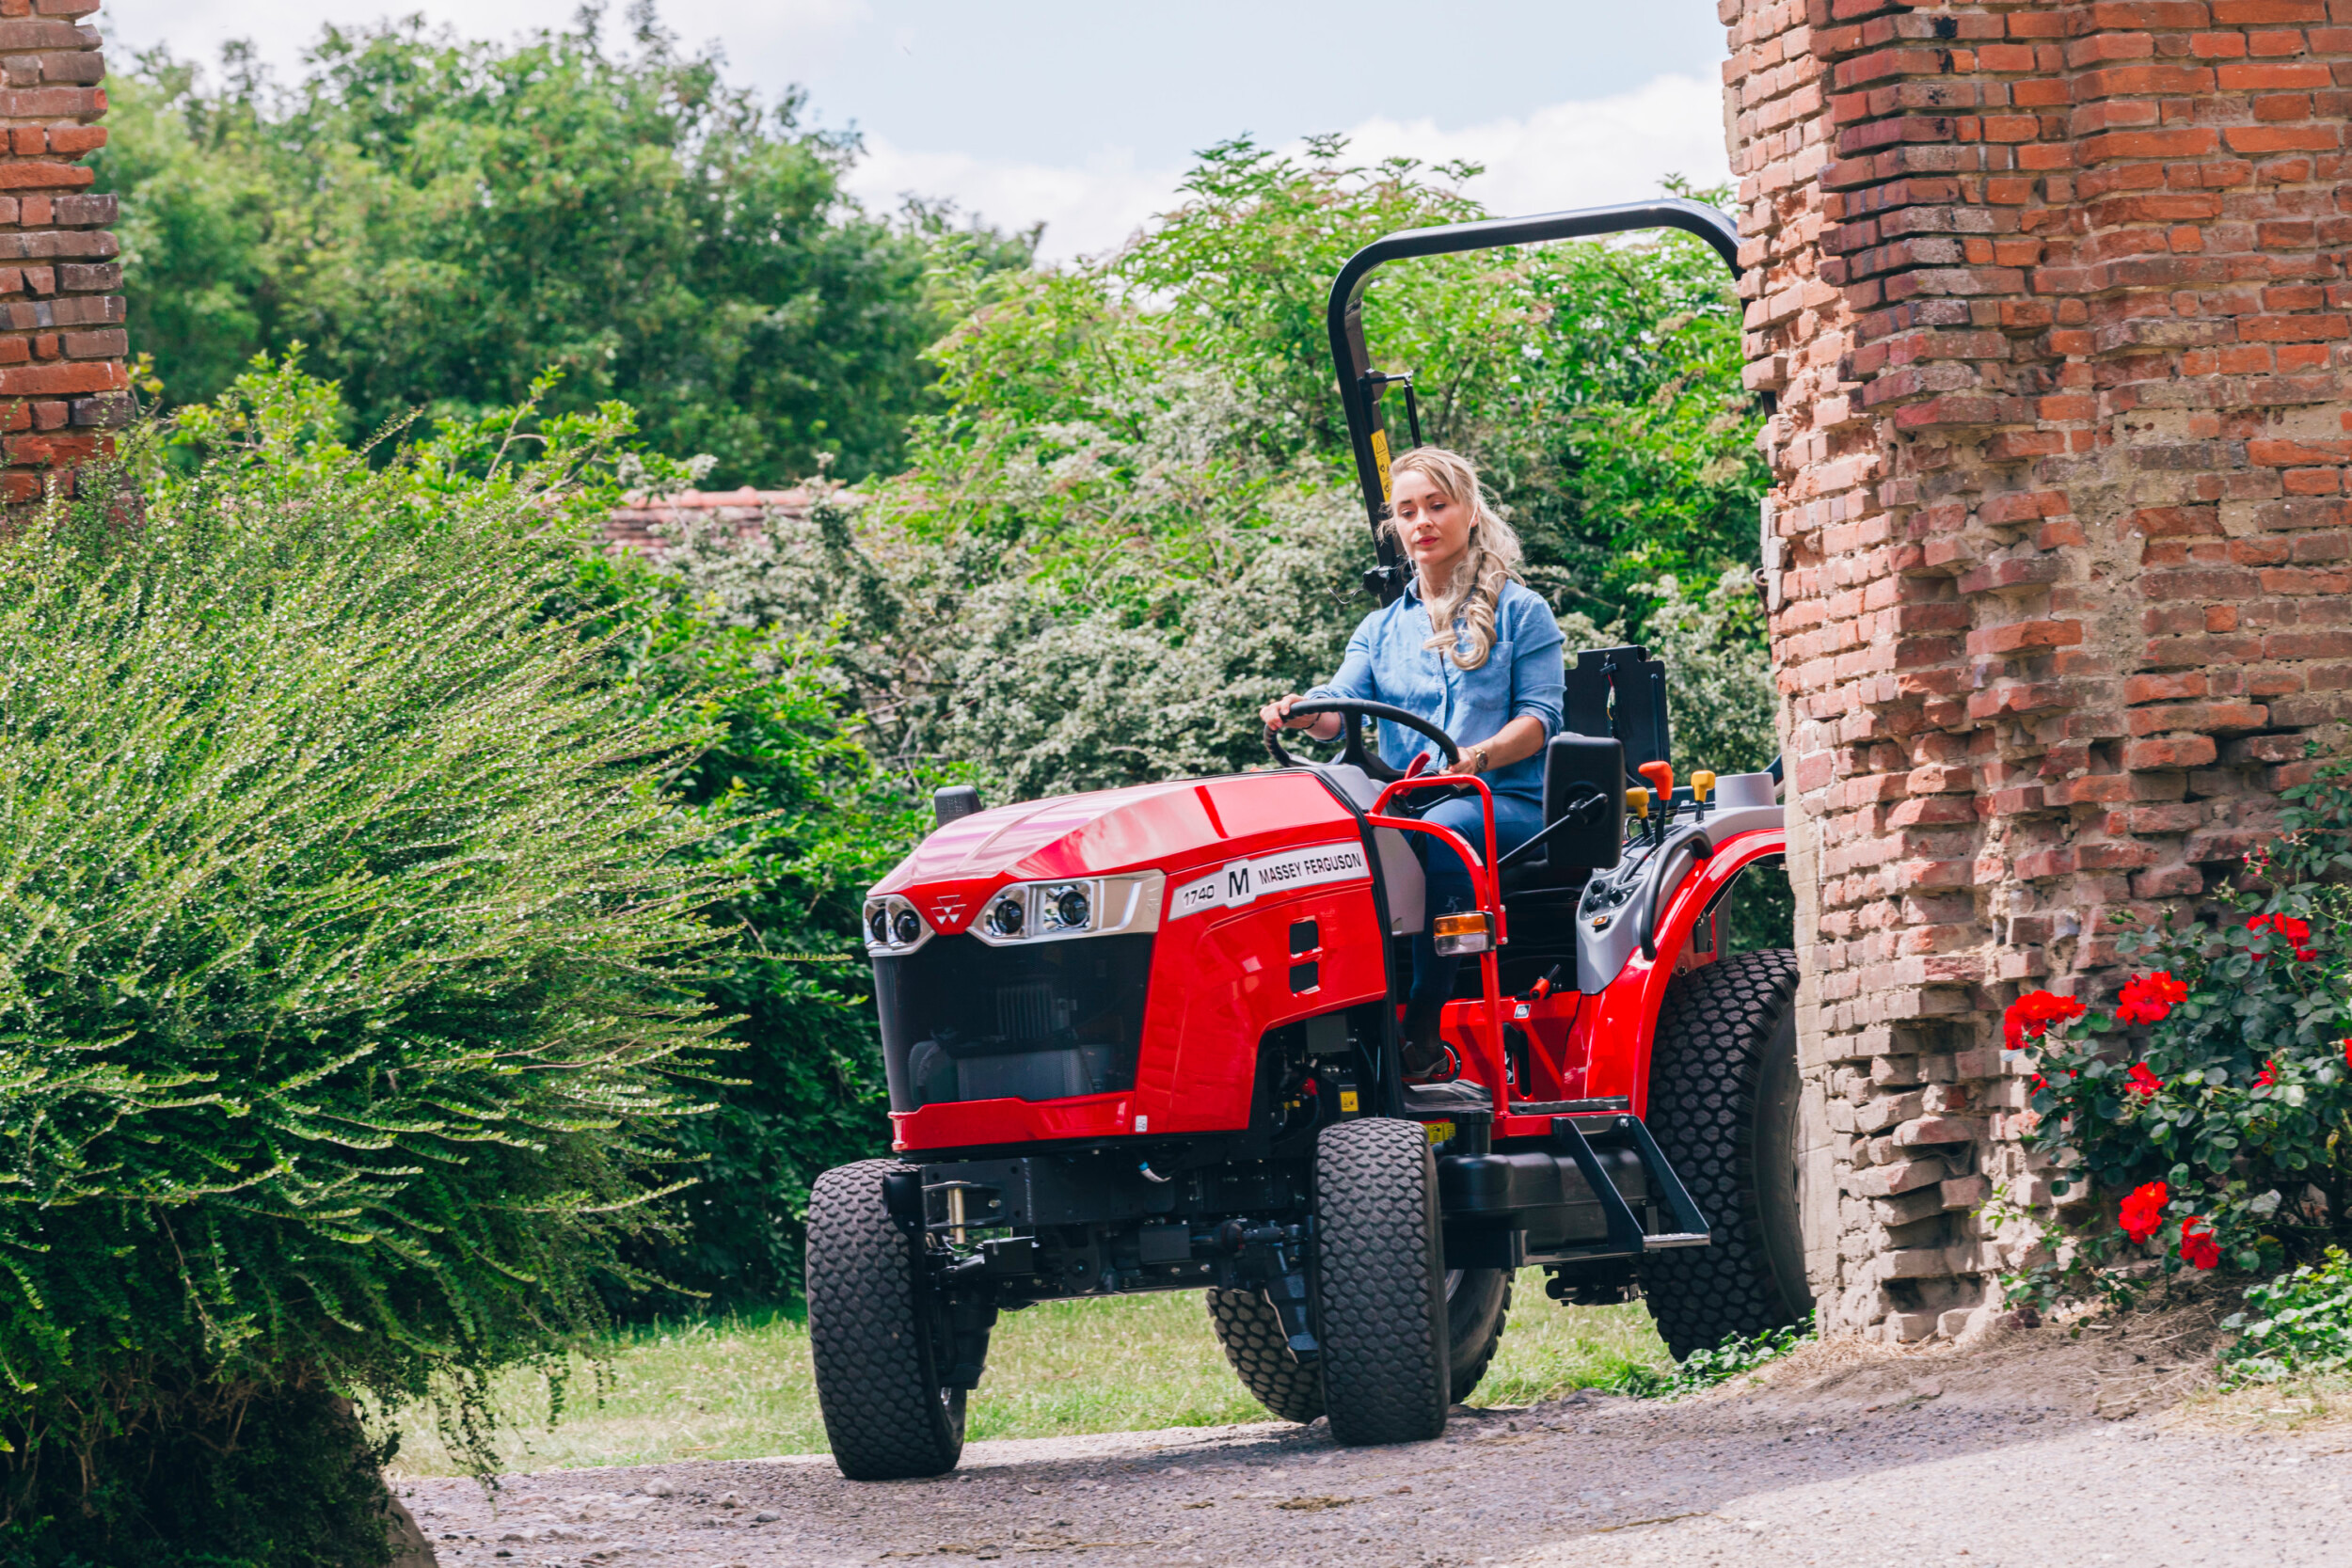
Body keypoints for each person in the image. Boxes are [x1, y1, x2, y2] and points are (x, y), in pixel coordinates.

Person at [1259, 446, 1565, 1074]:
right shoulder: (1378, 630)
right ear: (1394, 527)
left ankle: (1422, 1015)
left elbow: (1540, 719)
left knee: (1447, 828)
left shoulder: (1522, 612)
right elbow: (1338, 707)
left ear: (1470, 512)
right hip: (1406, 808)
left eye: (1436, 505)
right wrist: (1300, 709)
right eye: (1407, 511)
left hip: (1503, 803)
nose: (1421, 520)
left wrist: (1477, 757)